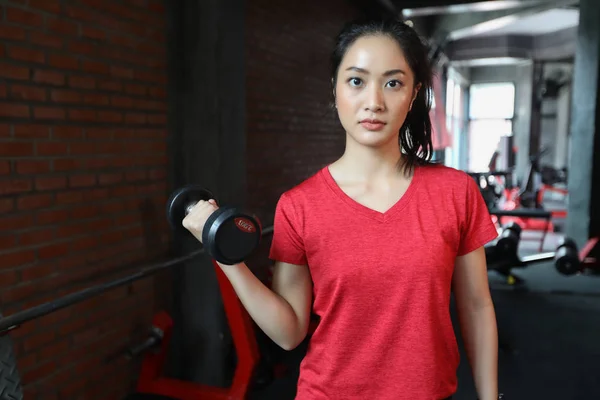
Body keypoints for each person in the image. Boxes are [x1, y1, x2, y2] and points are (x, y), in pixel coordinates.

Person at [183, 16, 500, 400]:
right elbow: (289, 332)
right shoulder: (299, 206)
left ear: (414, 93)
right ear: (335, 90)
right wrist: (225, 254)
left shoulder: (456, 193)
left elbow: (477, 305)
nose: (374, 102)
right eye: (356, 81)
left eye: (393, 83)